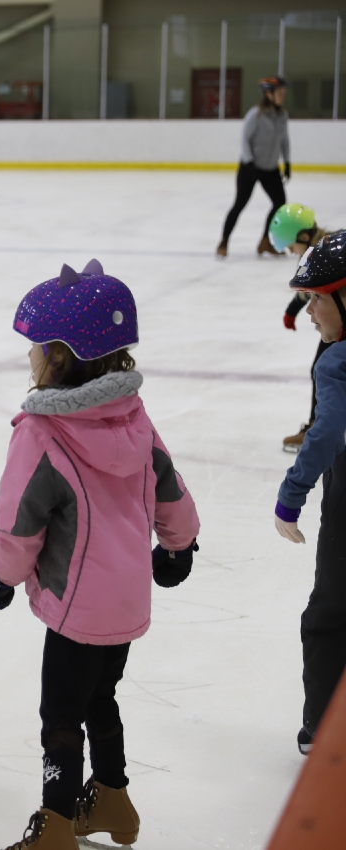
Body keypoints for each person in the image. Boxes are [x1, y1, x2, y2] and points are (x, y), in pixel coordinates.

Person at [0, 260, 200, 850]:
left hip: (77, 607)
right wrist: (180, 545)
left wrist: (1, 577)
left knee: (60, 717)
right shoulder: (133, 415)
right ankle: (113, 801)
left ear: (59, 356)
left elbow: (19, 521)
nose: (28, 354)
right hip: (127, 598)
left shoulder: (41, 433)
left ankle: (55, 825)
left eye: (35, 345)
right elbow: (170, 484)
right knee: (100, 698)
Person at [274, 230, 346, 757]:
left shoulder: (334, 360)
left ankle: (322, 726)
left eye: (317, 297)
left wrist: (291, 493)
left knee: (327, 617)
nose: (310, 310)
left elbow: (325, 433)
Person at [271, 203, 331, 452]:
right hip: (338, 321)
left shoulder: (323, 254)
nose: (290, 251)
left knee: (323, 370)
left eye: (291, 246)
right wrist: (291, 310)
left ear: (304, 236)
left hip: (340, 323)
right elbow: (312, 290)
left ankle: (318, 430)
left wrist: (292, 311)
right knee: (323, 369)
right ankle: (319, 427)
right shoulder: (323, 248)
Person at [216, 77, 290, 258]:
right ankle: (224, 241)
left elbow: (285, 140)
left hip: (270, 168)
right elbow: (244, 140)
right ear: (268, 93)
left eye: (283, 93)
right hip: (250, 168)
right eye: (279, 93)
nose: (282, 96)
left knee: (280, 203)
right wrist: (249, 163)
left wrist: (287, 163)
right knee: (240, 204)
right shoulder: (255, 115)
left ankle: (265, 241)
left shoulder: (282, 116)